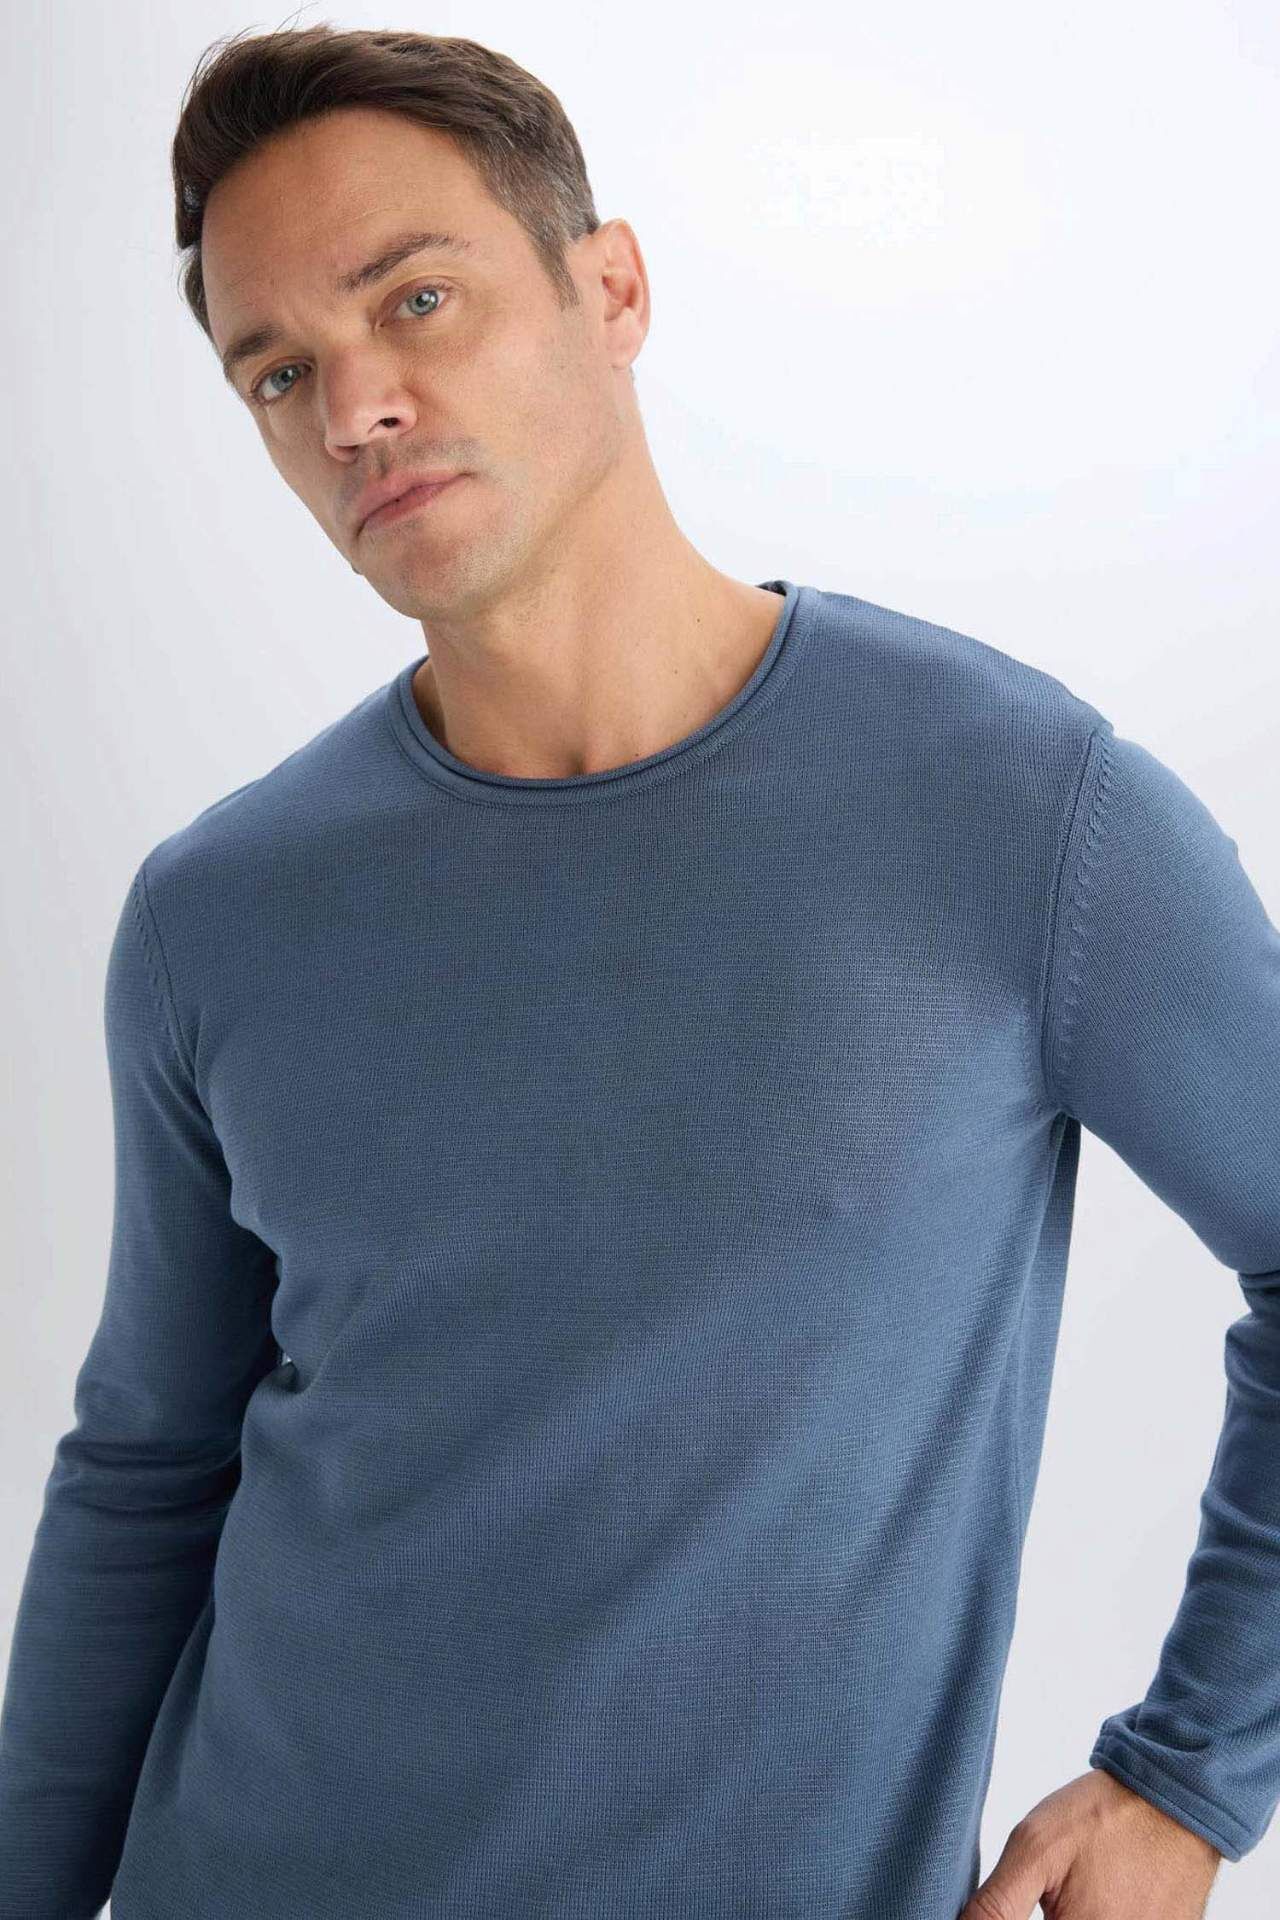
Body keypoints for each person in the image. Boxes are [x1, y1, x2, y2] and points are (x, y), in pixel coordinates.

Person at [0, 26, 1275, 1920]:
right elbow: (148, 1467)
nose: (354, 406)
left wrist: (1188, 1780)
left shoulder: (1023, 813)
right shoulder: (218, 914)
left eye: (415, 299)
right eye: (278, 369)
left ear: (611, 291)